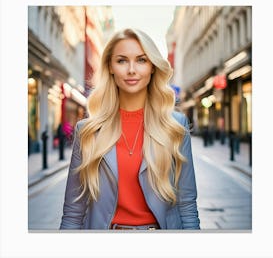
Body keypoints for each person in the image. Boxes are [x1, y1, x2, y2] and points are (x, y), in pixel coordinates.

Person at [60, 28, 200, 230]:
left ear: (152, 67)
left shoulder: (175, 126)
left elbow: (187, 206)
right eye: (122, 60)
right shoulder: (88, 131)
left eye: (141, 60)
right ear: (110, 66)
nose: (132, 69)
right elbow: (73, 214)